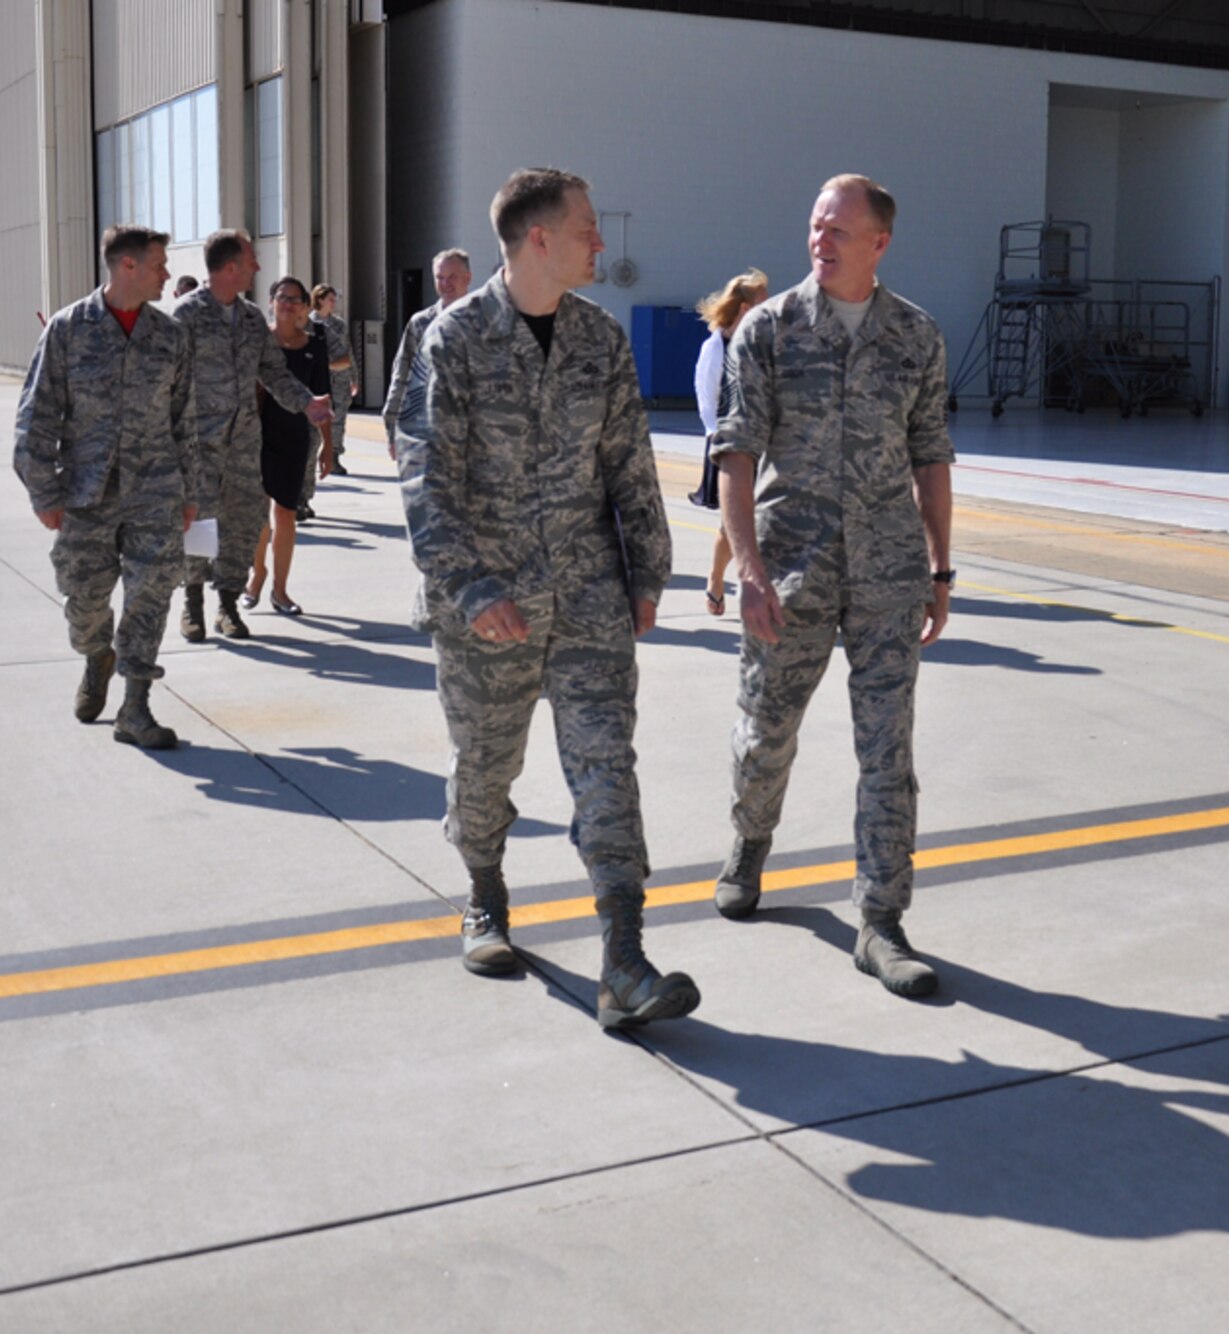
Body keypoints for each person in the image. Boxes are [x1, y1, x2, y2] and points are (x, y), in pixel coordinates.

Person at [397, 168, 694, 1030]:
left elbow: (629, 463)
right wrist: (470, 585)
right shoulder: (454, 340)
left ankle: (625, 959)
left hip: (590, 593)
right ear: (539, 240)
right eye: (588, 229)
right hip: (488, 606)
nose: (601, 242)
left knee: (609, 768)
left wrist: (648, 570)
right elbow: (424, 476)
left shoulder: (600, 338)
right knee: (485, 771)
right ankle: (485, 892)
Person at [708, 174, 955, 998]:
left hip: (887, 571)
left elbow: (931, 455)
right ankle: (749, 843)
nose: (821, 239)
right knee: (765, 733)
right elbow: (735, 458)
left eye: (838, 229)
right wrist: (747, 569)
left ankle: (881, 920)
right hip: (791, 569)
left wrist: (940, 567)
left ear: (878, 242)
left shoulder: (916, 335)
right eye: (815, 224)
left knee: (888, 753)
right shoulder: (768, 332)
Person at [13, 224, 200, 749]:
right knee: (84, 601)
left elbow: (186, 419)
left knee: (151, 597)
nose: (167, 274)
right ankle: (97, 655)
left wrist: (190, 493)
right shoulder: (70, 329)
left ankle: (135, 708)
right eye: (159, 265)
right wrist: (43, 492)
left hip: (155, 494)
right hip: (85, 496)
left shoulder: (170, 336)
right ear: (128, 267)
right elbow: (37, 416)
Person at [171, 230, 332, 643]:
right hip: (198, 446)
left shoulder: (249, 319)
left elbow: (273, 371)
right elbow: (162, 381)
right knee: (198, 524)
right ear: (230, 267)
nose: (257, 268)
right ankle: (193, 604)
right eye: (250, 261)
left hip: (244, 445)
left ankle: (227, 605)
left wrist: (306, 403)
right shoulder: (185, 317)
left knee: (244, 523)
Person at [243, 277, 334, 616]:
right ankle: (258, 575)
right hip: (256, 435)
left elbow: (323, 398)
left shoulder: (314, 346)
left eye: (296, 299)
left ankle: (280, 591)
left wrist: (328, 446)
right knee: (258, 513)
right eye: (282, 298)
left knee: (286, 513)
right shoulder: (258, 342)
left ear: (306, 307)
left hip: (295, 438)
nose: (289, 304)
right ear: (271, 302)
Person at [689, 268, 769, 616]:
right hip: (728, 446)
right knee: (733, 522)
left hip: (764, 444)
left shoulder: (763, 344)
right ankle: (717, 578)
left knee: (768, 520)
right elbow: (707, 400)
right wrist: (718, 442)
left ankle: (762, 587)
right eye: (761, 303)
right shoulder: (715, 347)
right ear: (743, 308)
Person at [383, 248, 471, 460]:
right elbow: (402, 376)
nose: (445, 283)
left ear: (468, 278)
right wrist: (392, 428)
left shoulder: (486, 322)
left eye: (452, 277)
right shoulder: (421, 324)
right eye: (439, 277)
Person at [304, 284, 356, 520]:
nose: (334, 302)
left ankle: (335, 454)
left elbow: (348, 351)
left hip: (340, 377)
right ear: (319, 300)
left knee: (340, 417)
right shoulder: (309, 323)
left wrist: (354, 377)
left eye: (335, 298)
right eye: (330, 298)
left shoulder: (339, 324)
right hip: (319, 380)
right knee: (316, 425)